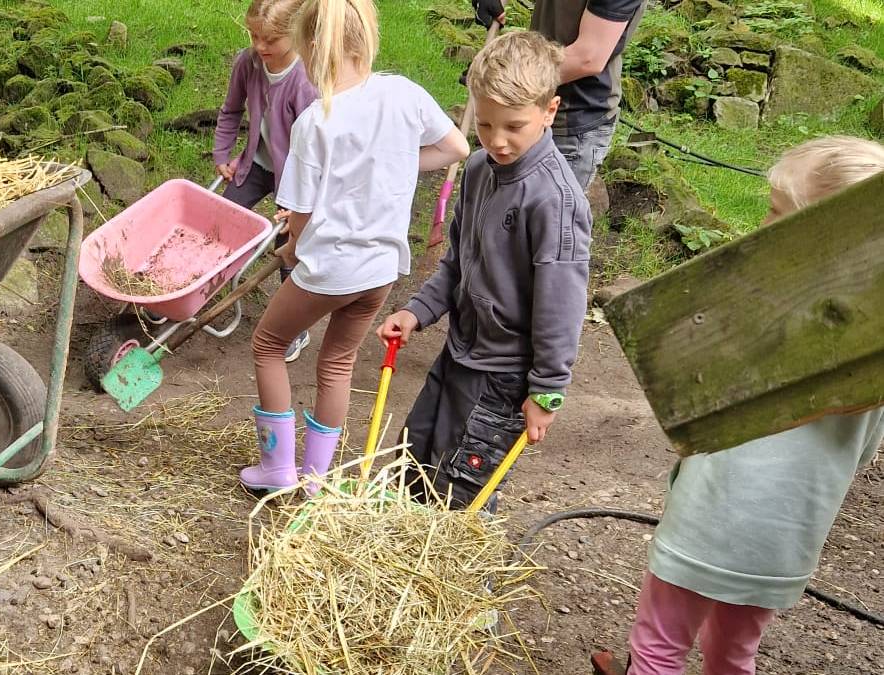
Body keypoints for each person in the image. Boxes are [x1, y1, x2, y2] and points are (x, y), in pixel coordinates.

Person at [590, 136, 884, 675]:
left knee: (659, 647)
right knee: (733, 654)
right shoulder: (873, 362)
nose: (762, 228)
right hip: (783, 550)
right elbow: (863, 456)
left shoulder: (750, 324)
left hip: (704, 532)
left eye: (776, 215)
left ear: (824, 237)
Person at [240, 0, 470, 493]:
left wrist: (293, 245)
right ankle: (315, 478)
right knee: (338, 362)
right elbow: (456, 148)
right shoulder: (404, 94)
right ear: (367, 35)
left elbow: (299, 216)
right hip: (380, 270)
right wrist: (395, 164)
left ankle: (276, 469)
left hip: (331, 268)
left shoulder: (316, 120)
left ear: (307, 46)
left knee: (269, 344)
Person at [378, 31, 591, 510]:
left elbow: (562, 304)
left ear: (549, 111)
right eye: (486, 124)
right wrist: (418, 311)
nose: (498, 141)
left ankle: (454, 582)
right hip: (459, 353)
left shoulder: (554, 200)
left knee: (459, 495)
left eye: (514, 126)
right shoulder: (477, 169)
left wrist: (548, 389)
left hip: (503, 376)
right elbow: (457, 260)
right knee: (413, 467)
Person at [205, 0, 318, 363]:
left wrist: (301, 202)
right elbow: (231, 110)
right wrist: (223, 154)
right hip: (256, 162)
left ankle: (293, 327)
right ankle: (194, 292)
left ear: (296, 34)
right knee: (222, 224)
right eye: (254, 35)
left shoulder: (307, 81)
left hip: (297, 177)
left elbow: (316, 149)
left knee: (289, 250)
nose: (259, 46)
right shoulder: (249, 62)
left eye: (270, 39)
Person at [472, 0, 647, 189]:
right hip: (521, 108)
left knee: (546, 213)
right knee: (499, 206)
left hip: (572, 120)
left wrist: (503, 79)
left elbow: (588, 57)